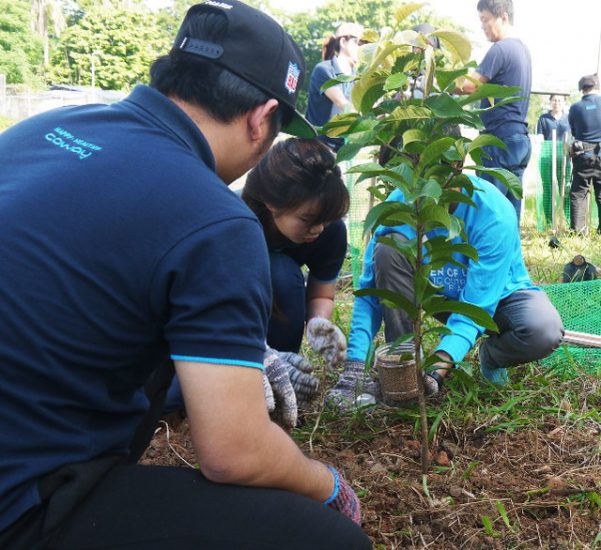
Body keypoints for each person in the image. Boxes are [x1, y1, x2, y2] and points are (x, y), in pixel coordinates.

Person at [0, 2, 372, 548]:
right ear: (260, 117)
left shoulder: (44, 130)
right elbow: (234, 453)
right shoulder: (215, 219)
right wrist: (329, 483)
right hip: (22, 499)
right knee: (332, 540)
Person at [326, 175, 564, 410]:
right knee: (387, 251)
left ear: (456, 167)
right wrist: (355, 367)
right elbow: (370, 295)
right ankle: (404, 367)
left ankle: (490, 356)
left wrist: (435, 373)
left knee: (543, 329)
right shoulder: (401, 203)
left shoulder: (492, 212)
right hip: (437, 295)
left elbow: (475, 308)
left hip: (500, 296)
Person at [166, 137, 351, 428]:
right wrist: (252, 352)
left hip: (278, 294)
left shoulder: (328, 230)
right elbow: (207, 300)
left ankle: (279, 380)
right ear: (272, 203)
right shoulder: (231, 220)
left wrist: (319, 322)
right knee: (278, 271)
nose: (318, 229)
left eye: (326, 219)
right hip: (217, 312)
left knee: (284, 277)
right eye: (307, 219)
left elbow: (323, 294)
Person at [456, 0, 532, 223]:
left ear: (503, 17)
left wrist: (440, 80)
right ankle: (510, 257)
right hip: (518, 140)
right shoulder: (522, 49)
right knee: (510, 212)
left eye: (485, 20)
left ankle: (490, 257)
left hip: (499, 141)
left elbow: (470, 85)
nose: (483, 26)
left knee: (491, 212)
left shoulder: (501, 48)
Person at [306, 22, 364, 152]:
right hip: (317, 148)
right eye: (359, 43)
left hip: (342, 148)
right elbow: (342, 103)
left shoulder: (357, 77)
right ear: (343, 42)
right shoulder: (324, 70)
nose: (363, 48)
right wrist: (370, 119)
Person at [568, 73, 601, 234]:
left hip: (583, 154)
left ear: (582, 89)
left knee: (579, 193)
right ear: (597, 86)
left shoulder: (575, 108)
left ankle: (578, 231)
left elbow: (574, 131)